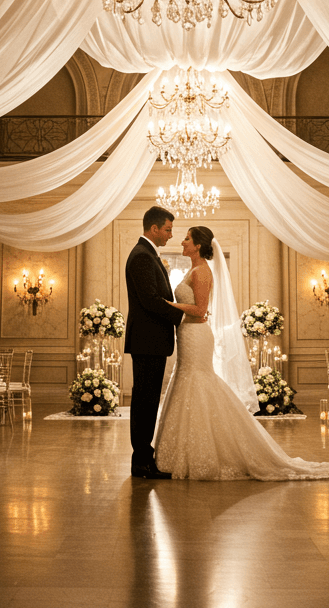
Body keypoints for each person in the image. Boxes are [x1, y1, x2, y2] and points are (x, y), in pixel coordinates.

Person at [154, 225, 329, 482]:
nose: (182, 242)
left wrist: (167, 305)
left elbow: (202, 309)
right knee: (188, 382)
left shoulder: (202, 271)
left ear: (197, 245)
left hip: (197, 335)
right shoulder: (191, 269)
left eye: (186, 239)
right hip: (187, 336)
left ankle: (205, 452)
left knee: (199, 382)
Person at [124, 205, 199, 479]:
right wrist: (183, 316)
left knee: (147, 400)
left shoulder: (148, 254)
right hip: (147, 340)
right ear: (153, 228)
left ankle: (144, 457)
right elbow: (151, 301)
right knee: (144, 401)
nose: (171, 235)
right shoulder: (142, 256)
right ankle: (141, 461)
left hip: (151, 340)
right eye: (167, 229)